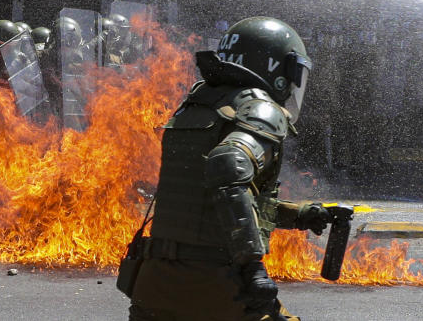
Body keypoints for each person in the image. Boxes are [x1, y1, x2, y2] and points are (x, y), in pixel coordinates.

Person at [126, 17, 329, 321]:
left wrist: (300, 215)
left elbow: (212, 202)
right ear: (279, 72)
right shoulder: (260, 109)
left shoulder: (196, 106)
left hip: (154, 284)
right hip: (214, 285)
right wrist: (253, 267)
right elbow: (229, 166)